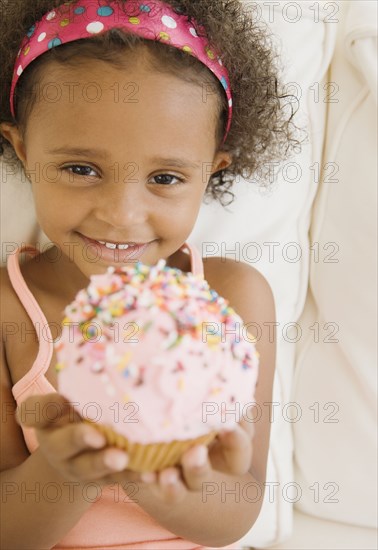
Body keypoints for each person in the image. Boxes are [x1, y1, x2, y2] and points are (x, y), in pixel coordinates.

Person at [0, 1, 300, 548]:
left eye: (164, 177)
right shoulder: (7, 309)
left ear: (211, 173)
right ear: (23, 152)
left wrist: (148, 466)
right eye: (80, 169)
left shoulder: (230, 297)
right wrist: (70, 467)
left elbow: (236, 514)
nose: (121, 214)